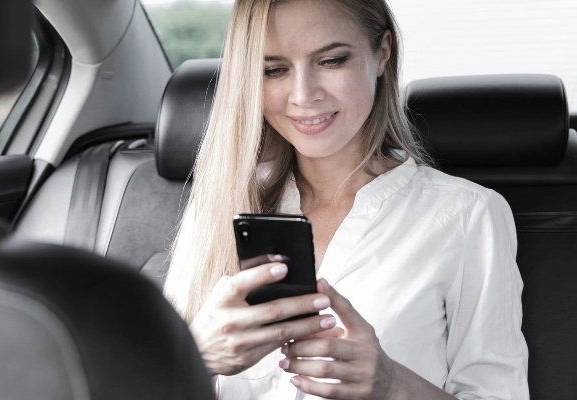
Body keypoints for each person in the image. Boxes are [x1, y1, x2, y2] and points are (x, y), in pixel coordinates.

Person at [163, 0, 529, 398]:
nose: (303, 95)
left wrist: (393, 385)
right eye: (274, 70)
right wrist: (193, 354)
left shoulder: (468, 216)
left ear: (382, 53)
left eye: (332, 61)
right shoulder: (216, 207)